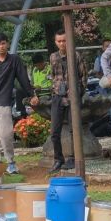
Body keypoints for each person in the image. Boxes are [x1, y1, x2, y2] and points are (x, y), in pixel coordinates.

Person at [0, 34, 37, 175]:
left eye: (3, 43)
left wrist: (32, 94)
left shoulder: (14, 60)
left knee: (6, 134)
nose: (1, 46)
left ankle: (11, 162)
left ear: (7, 44)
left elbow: (23, 79)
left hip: (3, 101)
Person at [48, 31, 87, 172]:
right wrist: (55, 88)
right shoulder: (53, 56)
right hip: (58, 95)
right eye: (59, 41)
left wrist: (78, 92)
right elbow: (53, 75)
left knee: (74, 129)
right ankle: (58, 159)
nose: (62, 43)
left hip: (73, 96)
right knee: (54, 131)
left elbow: (83, 76)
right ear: (56, 42)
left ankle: (73, 158)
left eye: (64, 40)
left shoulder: (76, 55)